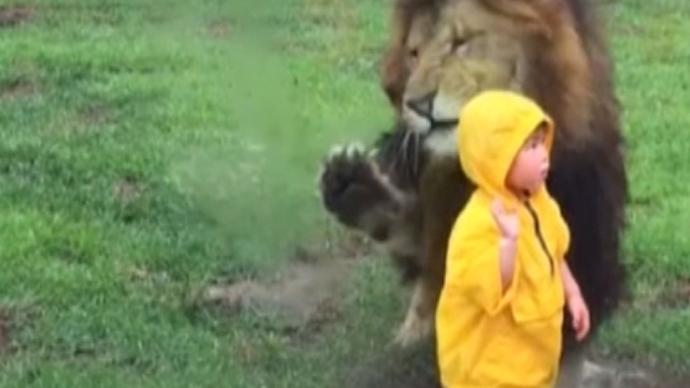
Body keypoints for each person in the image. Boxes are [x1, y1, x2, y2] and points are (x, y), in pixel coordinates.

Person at [435, 90, 590, 387]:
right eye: (530, 147)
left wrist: (572, 294)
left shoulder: (539, 202)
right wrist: (508, 244)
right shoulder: (478, 224)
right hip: (490, 368)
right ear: (495, 157)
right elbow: (491, 286)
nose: (543, 154)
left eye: (541, 143)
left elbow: (554, 252)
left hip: (531, 357)